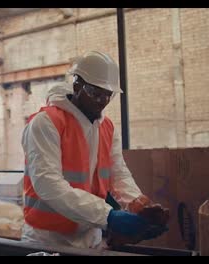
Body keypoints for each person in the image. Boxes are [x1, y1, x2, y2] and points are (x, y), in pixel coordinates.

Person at [21, 51, 167, 249]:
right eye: (96, 93)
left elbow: (118, 174)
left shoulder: (106, 127)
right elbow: (48, 184)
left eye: (109, 95)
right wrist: (108, 216)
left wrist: (137, 204)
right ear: (77, 85)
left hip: (91, 237)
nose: (102, 101)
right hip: (48, 239)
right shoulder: (47, 123)